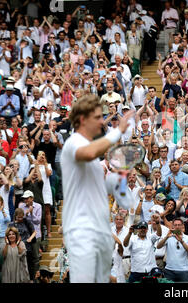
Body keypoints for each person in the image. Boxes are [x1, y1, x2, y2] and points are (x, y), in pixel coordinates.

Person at [60, 94, 135, 283]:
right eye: (98, 117)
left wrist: (121, 177)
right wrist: (118, 132)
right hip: (82, 227)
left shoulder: (94, 160)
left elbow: (114, 194)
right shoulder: (74, 142)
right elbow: (91, 151)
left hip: (99, 229)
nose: (102, 121)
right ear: (83, 120)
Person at [156, 218, 188, 282]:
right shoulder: (168, 236)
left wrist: (181, 241)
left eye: (179, 225)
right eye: (175, 225)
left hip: (183, 270)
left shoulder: (187, 237)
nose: (177, 227)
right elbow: (158, 246)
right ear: (172, 226)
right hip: (169, 270)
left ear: (182, 226)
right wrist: (167, 237)